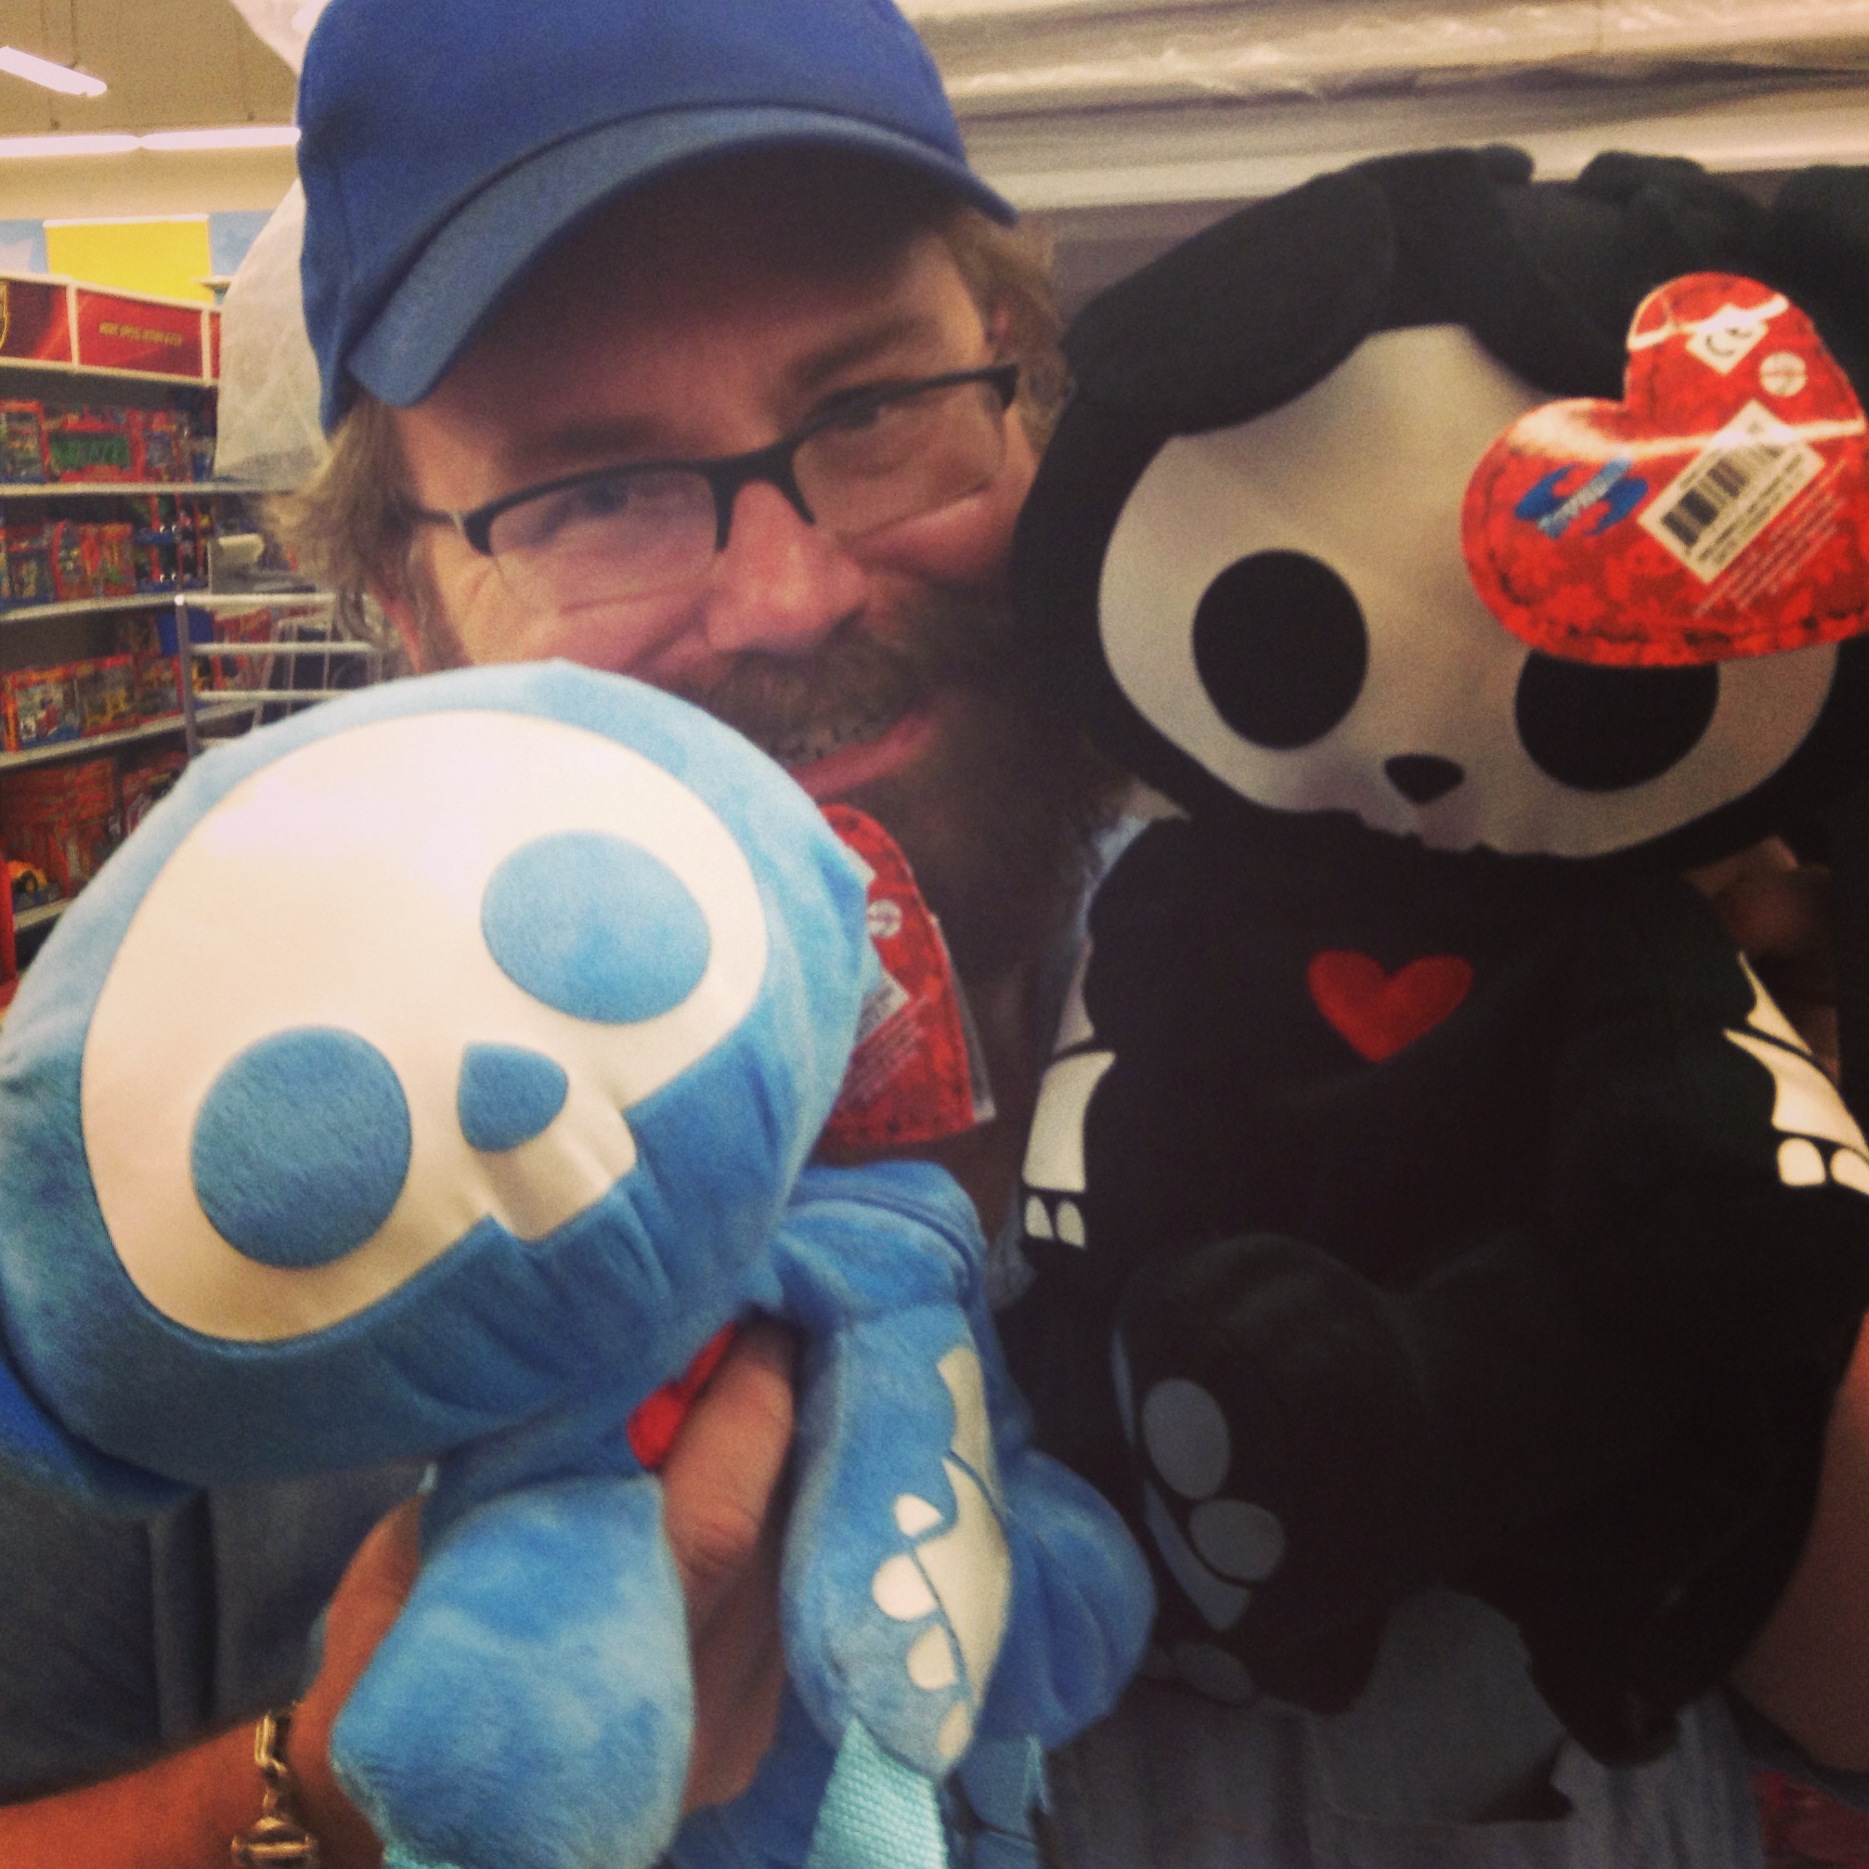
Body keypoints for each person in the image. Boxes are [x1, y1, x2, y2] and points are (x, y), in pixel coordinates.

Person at [0, 0, 1865, 1864]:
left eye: (876, 411)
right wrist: (314, 1799)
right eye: (597, 492)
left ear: (1031, 407)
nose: (792, 592)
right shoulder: (183, 1159)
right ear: (407, 602)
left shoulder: (1453, 937)